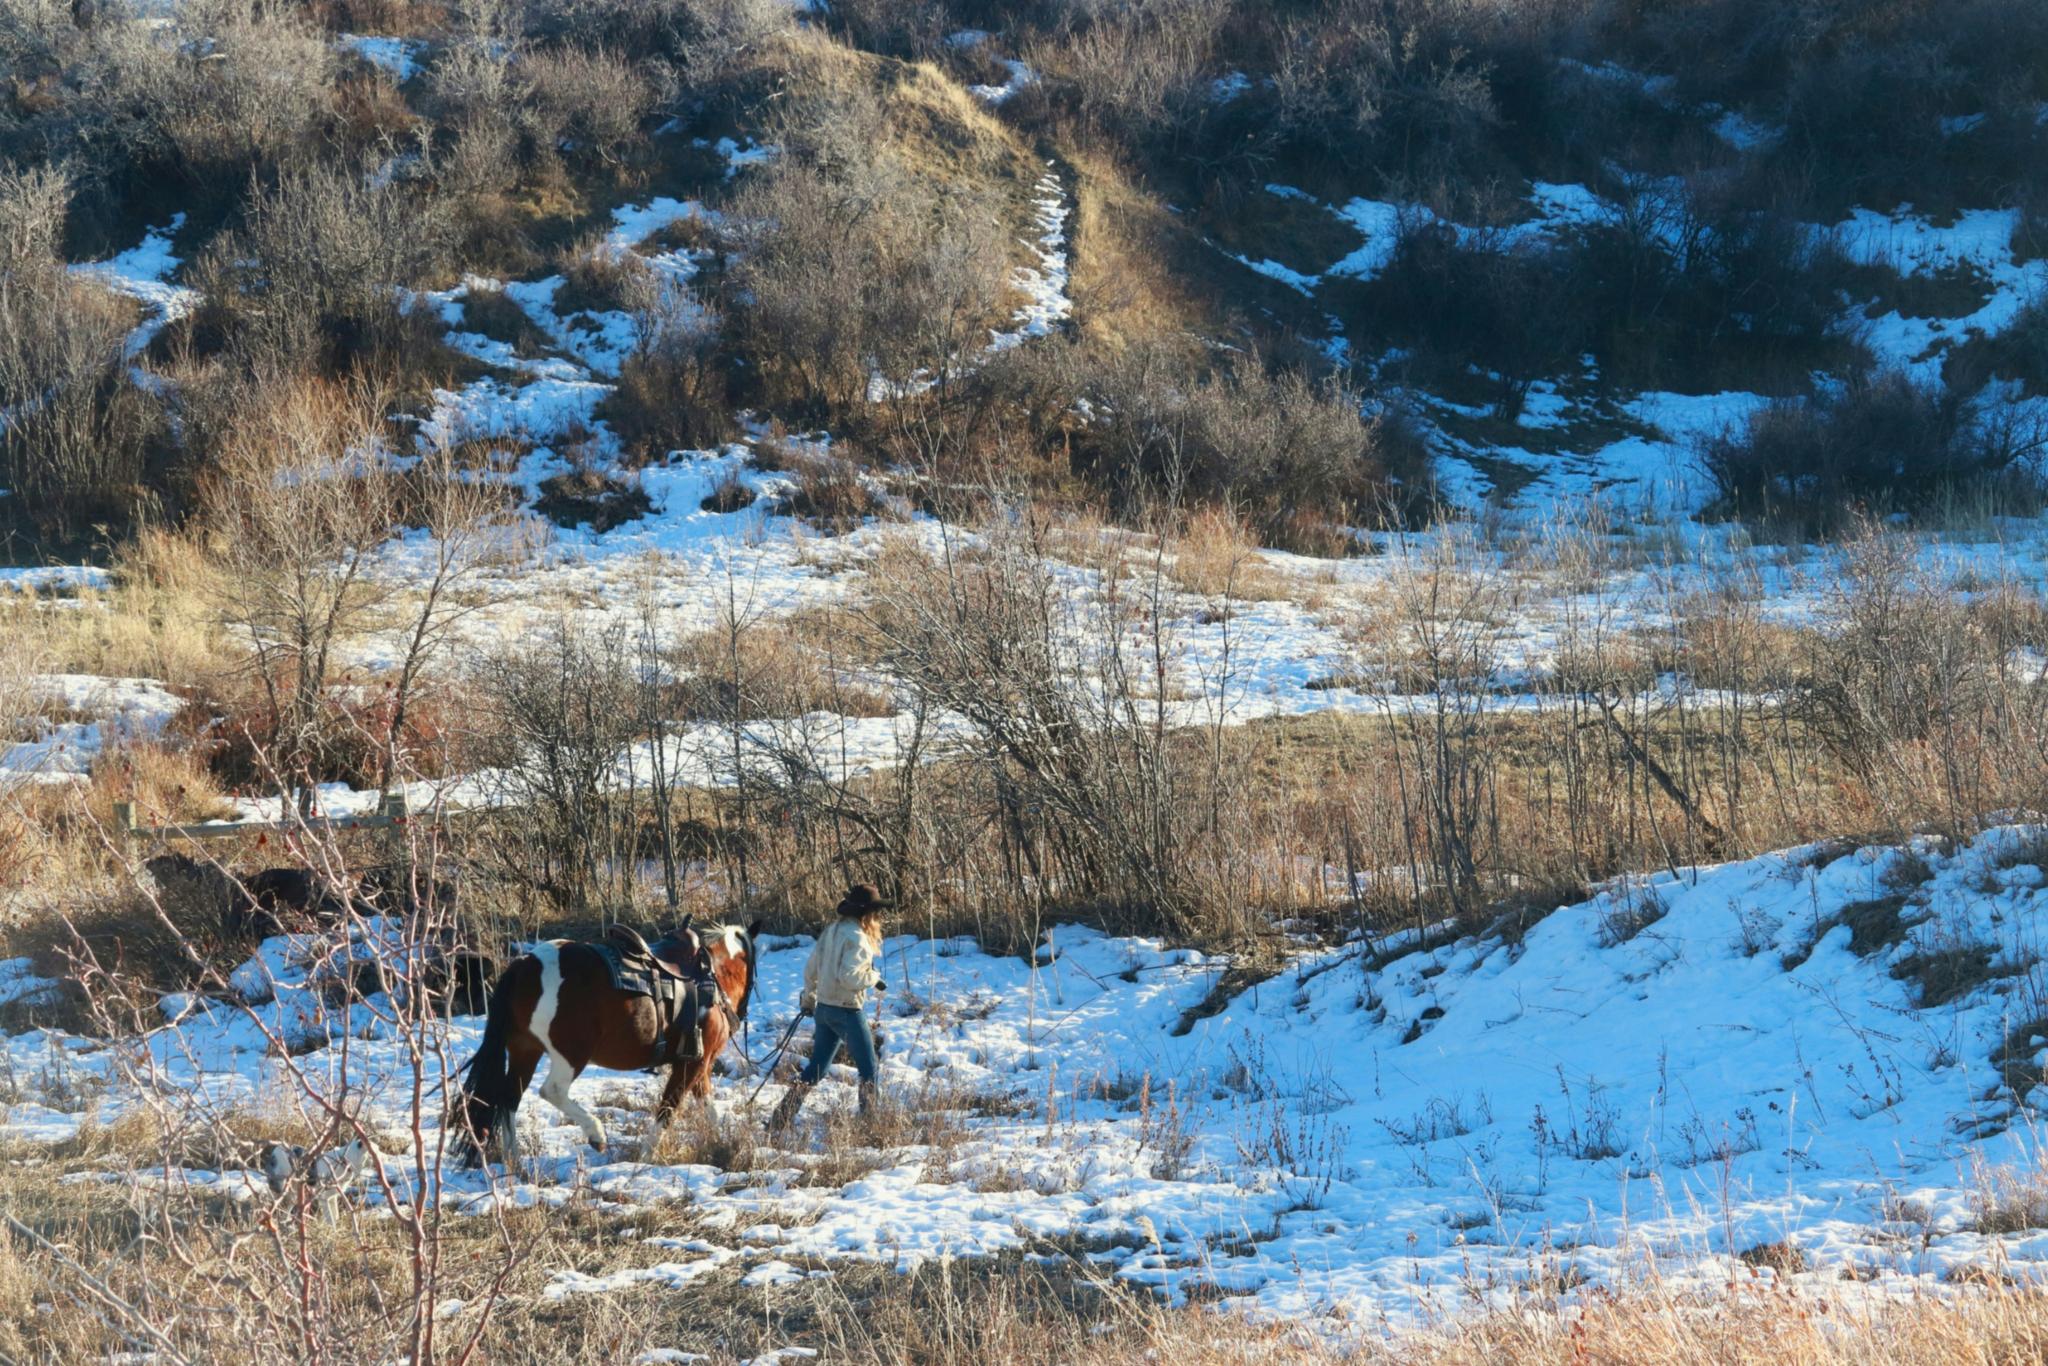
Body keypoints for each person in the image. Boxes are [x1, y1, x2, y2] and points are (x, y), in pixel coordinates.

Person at [768, 884, 889, 1132]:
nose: (878, 917)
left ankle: (780, 1119)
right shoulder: (859, 939)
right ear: (867, 914)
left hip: (824, 1010)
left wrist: (809, 998)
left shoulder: (831, 931)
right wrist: (873, 977)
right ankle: (871, 1127)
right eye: (876, 912)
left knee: (815, 1070)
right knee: (869, 1069)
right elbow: (850, 977)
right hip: (847, 1011)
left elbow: (811, 969)